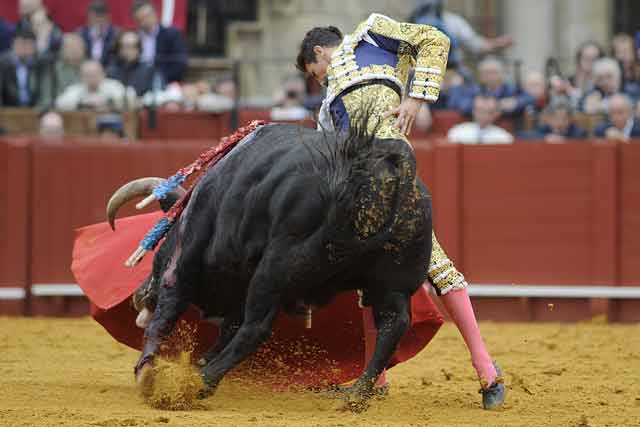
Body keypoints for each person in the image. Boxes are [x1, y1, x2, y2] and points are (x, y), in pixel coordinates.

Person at [296, 14, 505, 409]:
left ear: (320, 52)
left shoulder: (371, 33)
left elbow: (435, 38)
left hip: (393, 166)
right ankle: (376, 379)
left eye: (314, 71)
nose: (319, 80)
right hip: (355, 184)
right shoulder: (326, 110)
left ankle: (486, 368)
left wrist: (415, 98)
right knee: (366, 277)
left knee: (436, 263)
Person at [408, 0, 512, 72]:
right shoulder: (410, 25)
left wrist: (497, 43)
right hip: (420, 72)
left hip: (450, 72)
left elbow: (477, 45)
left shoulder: (452, 21)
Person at [448, 56, 534, 118]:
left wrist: (515, 102)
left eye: (494, 72)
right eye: (486, 73)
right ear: (481, 76)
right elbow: (457, 103)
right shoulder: (473, 90)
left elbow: (530, 98)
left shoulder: (511, 89)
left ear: (502, 74)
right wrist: (479, 105)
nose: (490, 76)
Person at [131, 0, 187, 83]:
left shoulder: (172, 35)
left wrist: (160, 81)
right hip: (136, 82)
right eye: (140, 18)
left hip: (165, 82)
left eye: (147, 16)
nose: (145, 21)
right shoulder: (133, 37)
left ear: (155, 14)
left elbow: (179, 63)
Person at [55, 60, 136, 111]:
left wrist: (108, 102)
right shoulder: (76, 89)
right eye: (88, 75)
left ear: (103, 74)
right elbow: (60, 103)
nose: (92, 78)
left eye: (95, 74)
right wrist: (84, 104)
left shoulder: (113, 86)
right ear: (81, 77)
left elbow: (130, 96)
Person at [39, 33, 86, 109]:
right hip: (60, 111)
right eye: (71, 47)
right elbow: (46, 98)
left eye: (78, 47)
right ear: (63, 50)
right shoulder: (53, 70)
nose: (75, 51)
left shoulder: (91, 68)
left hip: (86, 111)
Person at [0, 28, 45, 107]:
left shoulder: (41, 64)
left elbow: (45, 93)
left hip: (36, 110)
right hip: (8, 110)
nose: (23, 48)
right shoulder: (3, 64)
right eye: (19, 44)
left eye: (28, 44)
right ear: (13, 45)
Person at [447, 95, 514, 144]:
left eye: (488, 112)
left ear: (495, 114)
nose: (483, 115)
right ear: (473, 111)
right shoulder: (457, 132)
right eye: (480, 111)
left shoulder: (504, 138)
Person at [106, 30, 154, 96]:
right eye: (125, 46)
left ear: (139, 49)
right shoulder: (110, 71)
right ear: (118, 49)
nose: (129, 51)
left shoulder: (148, 70)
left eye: (134, 47)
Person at [78, 0, 119, 66]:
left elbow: (117, 59)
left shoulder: (116, 34)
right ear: (89, 18)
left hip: (109, 71)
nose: (98, 20)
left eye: (101, 17)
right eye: (95, 17)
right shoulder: (81, 33)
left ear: (107, 17)